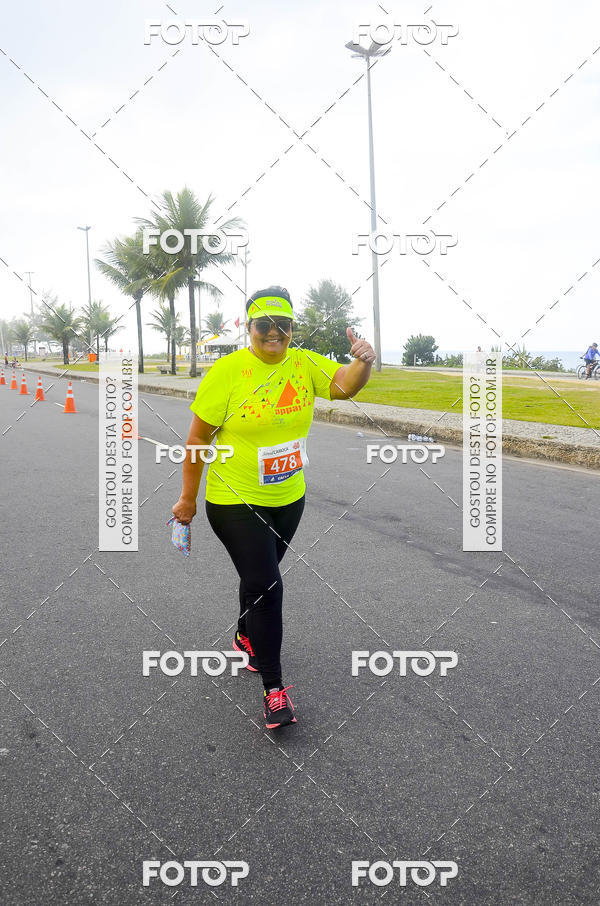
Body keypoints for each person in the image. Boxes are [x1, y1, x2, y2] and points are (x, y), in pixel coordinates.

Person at [172, 286, 375, 729]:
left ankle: (245, 635)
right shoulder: (227, 373)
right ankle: (274, 690)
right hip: (234, 501)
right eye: (264, 325)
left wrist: (363, 360)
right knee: (268, 587)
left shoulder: (302, 364)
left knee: (260, 577)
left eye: (283, 325)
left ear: (291, 329)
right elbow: (196, 441)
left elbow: (343, 386)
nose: (274, 333)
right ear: (250, 328)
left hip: (289, 498)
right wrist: (187, 499)